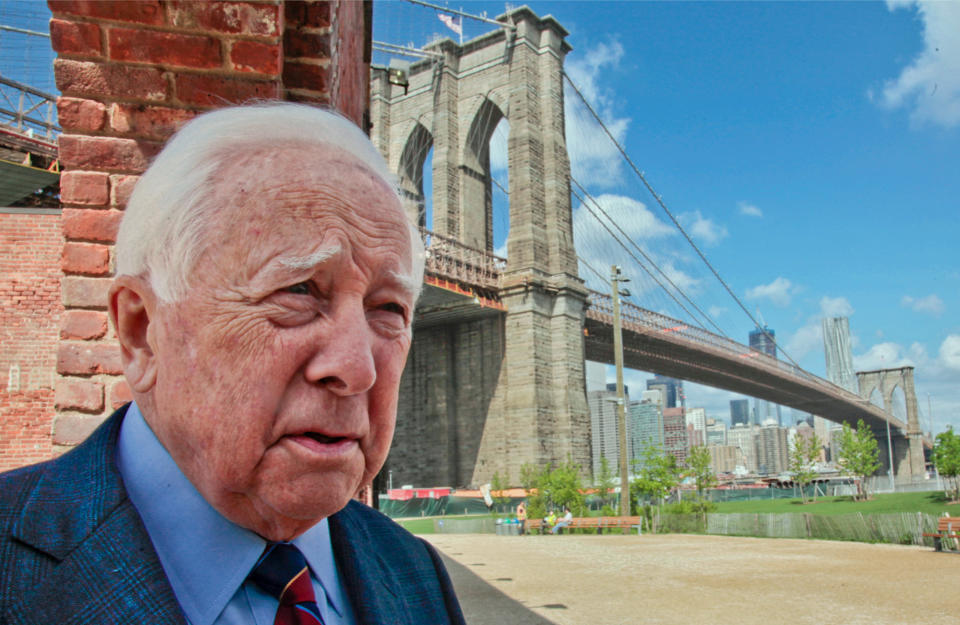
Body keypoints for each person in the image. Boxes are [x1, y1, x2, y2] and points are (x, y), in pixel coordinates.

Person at [0, 103, 465, 625]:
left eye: (387, 309)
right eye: (298, 291)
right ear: (141, 333)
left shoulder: (414, 570)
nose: (358, 369)